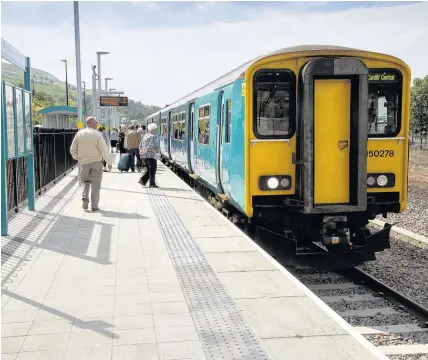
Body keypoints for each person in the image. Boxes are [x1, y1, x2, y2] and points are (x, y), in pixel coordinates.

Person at [70, 116, 112, 211]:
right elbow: (104, 150)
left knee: (85, 181)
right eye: (96, 123)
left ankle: (85, 197)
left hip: (84, 162)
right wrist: (109, 162)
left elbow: (72, 149)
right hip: (96, 162)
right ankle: (94, 206)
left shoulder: (79, 134)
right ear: (92, 123)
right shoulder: (97, 134)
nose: (97, 124)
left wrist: (77, 157)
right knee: (96, 184)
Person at [139, 123, 160, 187]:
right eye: (156, 129)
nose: (156, 131)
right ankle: (152, 184)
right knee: (152, 170)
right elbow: (151, 146)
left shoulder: (145, 136)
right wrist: (157, 155)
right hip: (151, 156)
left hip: (144, 156)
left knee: (148, 169)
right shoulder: (153, 137)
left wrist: (141, 151)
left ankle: (142, 180)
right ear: (153, 130)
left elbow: (140, 145)